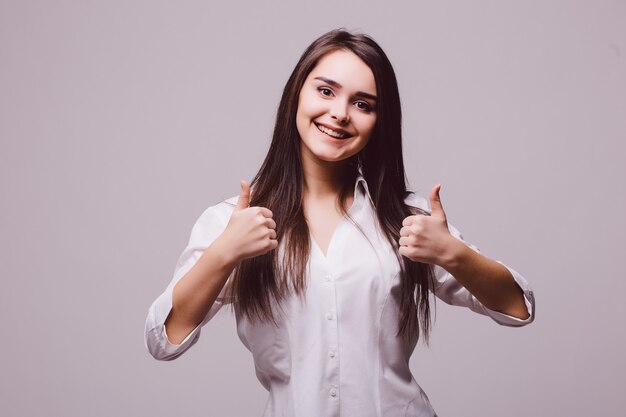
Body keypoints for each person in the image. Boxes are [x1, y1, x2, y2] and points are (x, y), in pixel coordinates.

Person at [144, 29, 535, 417]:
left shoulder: (406, 219)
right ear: (297, 93)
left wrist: (454, 254)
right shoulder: (234, 223)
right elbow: (164, 339)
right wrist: (223, 254)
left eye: (363, 104)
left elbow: (519, 307)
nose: (340, 114)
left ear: (380, 121)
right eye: (326, 91)